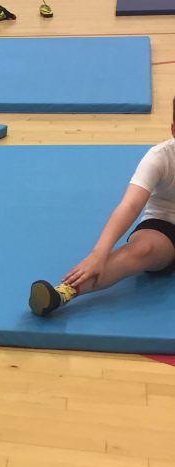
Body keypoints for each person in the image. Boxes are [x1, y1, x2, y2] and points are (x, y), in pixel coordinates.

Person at [29, 101, 175, 317]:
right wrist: (98, 255)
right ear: (173, 130)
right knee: (141, 250)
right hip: (164, 228)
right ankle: (62, 293)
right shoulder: (159, 157)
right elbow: (130, 205)